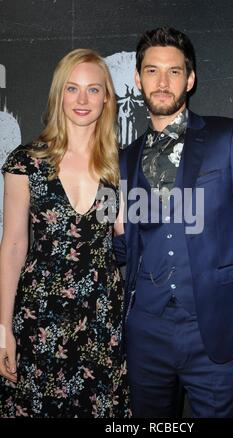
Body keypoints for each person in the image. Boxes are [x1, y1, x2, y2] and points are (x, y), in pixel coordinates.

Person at [113, 27, 233, 418]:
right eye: (152, 71)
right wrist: (118, 226)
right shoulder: (123, 159)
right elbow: (124, 252)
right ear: (138, 80)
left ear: (190, 79)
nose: (162, 82)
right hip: (146, 334)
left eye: (173, 72)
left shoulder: (230, 137)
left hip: (217, 332)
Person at [0, 48, 131, 418]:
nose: (82, 99)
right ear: (59, 94)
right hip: (39, 316)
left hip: (101, 319)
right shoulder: (27, 161)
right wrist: (2, 329)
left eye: (93, 89)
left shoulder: (115, 167)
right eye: (72, 89)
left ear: (107, 97)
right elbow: (12, 245)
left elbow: (119, 236)